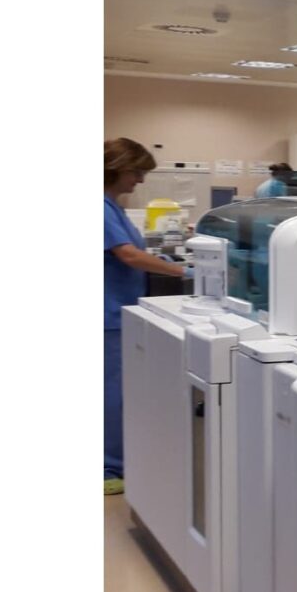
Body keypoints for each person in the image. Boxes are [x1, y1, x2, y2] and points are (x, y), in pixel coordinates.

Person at [104, 138, 189, 496]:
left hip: (118, 309)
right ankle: (109, 469)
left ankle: (116, 460)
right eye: (136, 172)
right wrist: (184, 271)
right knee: (111, 394)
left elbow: (133, 251)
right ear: (117, 168)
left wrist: (168, 262)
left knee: (117, 391)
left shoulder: (113, 206)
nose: (140, 180)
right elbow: (130, 256)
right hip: (107, 313)